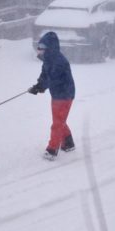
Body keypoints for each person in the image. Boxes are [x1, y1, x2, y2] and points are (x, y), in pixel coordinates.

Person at [29, 31, 76, 161]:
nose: (39, 50)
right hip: (57, 94)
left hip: (64, 95)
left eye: (42, 48)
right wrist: (38, 85)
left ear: (50, 49)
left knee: (57, 123)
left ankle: (52, 150)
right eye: (39, 48)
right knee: (59, 120)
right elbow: (45, 75)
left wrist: (41, 87)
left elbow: (52, 79)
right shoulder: (48, 60)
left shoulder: (58, 62)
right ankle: (68, 143)